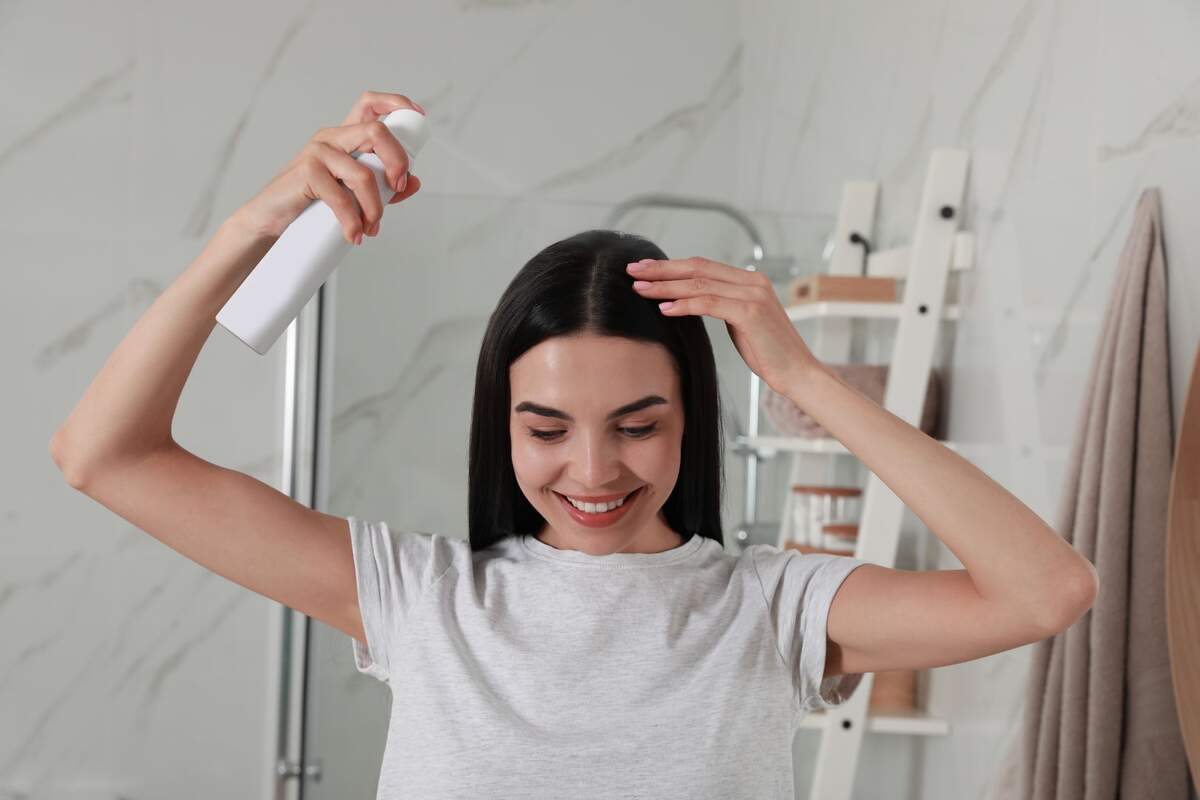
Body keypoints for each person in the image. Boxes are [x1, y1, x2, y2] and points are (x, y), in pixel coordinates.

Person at [49, 90, 1099, 799]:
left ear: (692, 419)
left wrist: (806, 378)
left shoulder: (773, 609)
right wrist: (255, 225)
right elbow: (102, 454)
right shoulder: (421, 598)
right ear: (498, 425)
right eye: (545, 427)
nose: (593, 471)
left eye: (638, 425)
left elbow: (1044, 588)